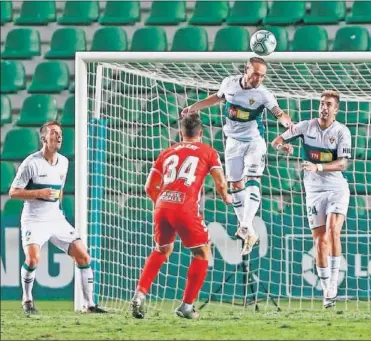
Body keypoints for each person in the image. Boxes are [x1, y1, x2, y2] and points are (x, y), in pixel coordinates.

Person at [181, 57, 293, 256]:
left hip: (254, 142)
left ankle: (246, 225)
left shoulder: (263, 94)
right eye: (256, 73)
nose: (258, 78)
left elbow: (279, 113)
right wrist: (193, 107)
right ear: (246, 69)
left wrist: (287, 124)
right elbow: (217, 97)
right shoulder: (229, 83)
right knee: (235, 186)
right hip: (232, 142)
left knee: (252, 178)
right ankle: (248, 230)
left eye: (262, 76)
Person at [130, 114, 232, 319]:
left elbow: (149, 186)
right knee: (202, 253)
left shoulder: (167, 152)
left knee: (162, 249)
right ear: (201, 133)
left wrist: (164, 204)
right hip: (185, 206)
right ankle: (186, 305)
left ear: (181, 133)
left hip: (162, 205)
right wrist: (227, 198)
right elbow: (220, 183)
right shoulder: (208, 152)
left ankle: (139, 294)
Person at [9, 121, 106, 314]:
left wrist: (57, 210)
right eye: (54, 133)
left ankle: (89, 305)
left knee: (83, 254)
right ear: (44, 138)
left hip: (55, 218)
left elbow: (59, 191)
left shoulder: (64, 162)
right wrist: (39, 194)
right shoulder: (31, 163)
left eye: (60, 133)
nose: (59, 136)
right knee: (33, 259)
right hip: (34, 219)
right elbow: (13, 192)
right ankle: (27, 299)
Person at [271, 90, 352, 308]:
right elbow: (276, 140)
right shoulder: (306, 127)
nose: (324, 108)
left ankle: (334, 282)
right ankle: (327, 290)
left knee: (334, 230)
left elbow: (343, 164)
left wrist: (319, 166)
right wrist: (283, 146)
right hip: (314, 191)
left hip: (336, 188)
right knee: (319, 241)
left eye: (328, 104)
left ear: (336, 109)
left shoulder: (342, 131)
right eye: (322, 104)